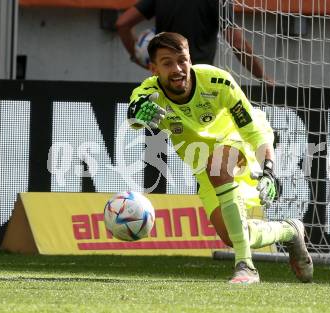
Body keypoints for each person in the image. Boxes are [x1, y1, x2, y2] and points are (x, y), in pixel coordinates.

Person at [127, 32, 313, 284]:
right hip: (203, 164)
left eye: (182, 60)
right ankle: (290, 231)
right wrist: (138, 113)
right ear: (154, 68)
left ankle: (246, 267)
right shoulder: (150, 92)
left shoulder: (217, 82)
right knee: (235, 234)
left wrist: (268, 170)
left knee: (217, 164)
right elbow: (134, 113)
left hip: (240, 144)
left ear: (190, 59)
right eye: (167, 62)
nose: (178, 69)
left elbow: (255, 133)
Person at [116, 0, 272, 83]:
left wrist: (138, 57)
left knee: (158, 140)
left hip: (164, 80)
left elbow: (122, 23)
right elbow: (238, 44)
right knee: (199, 141)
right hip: (197, 83)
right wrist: (262, 77)